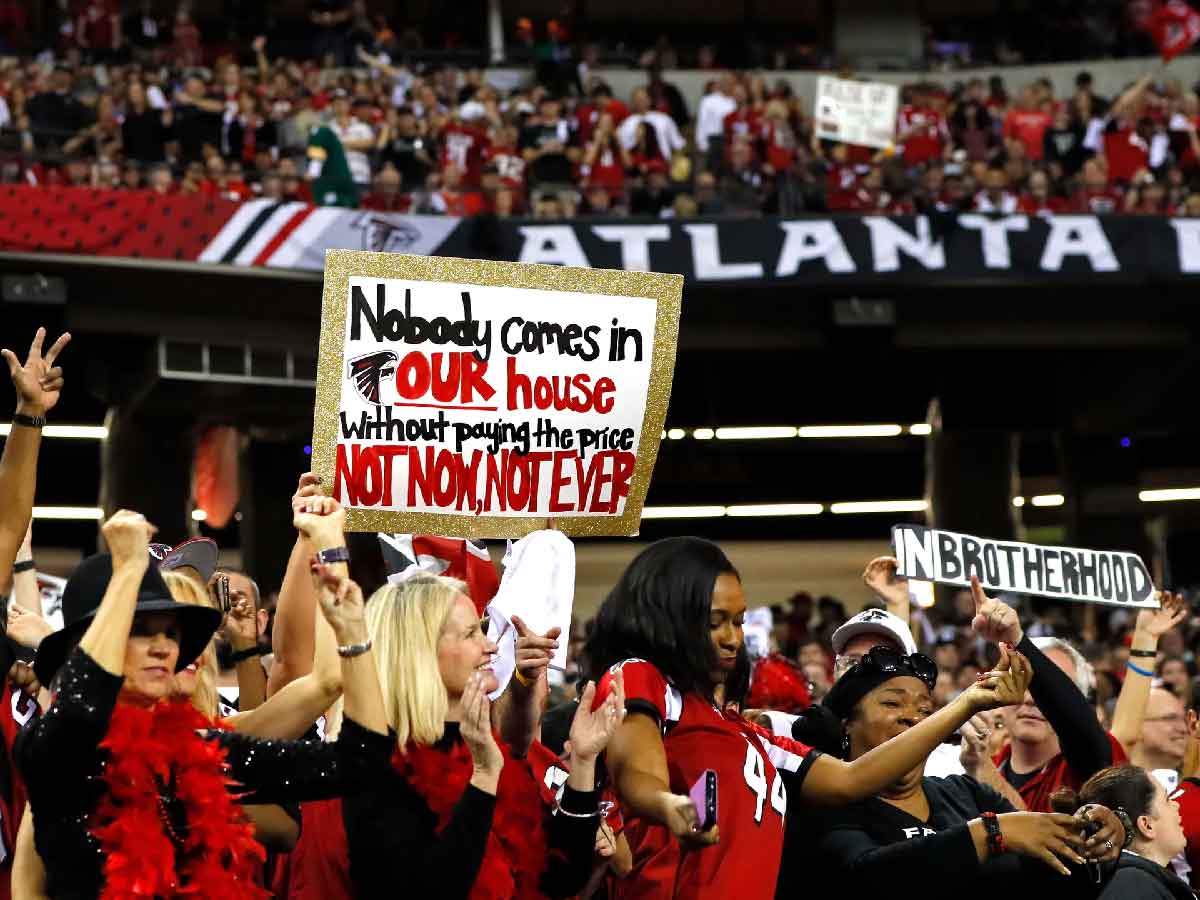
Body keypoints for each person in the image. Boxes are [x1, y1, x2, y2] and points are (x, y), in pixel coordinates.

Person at [585, 537, 1034, 900]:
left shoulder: (750, 738)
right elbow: (637, 773)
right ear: (669, 617)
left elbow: (853, 779)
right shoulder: (640, 676)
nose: (731, 639)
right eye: (715, 621)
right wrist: (667, 805)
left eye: (739, 622)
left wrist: (967, 703)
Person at [16, 502, 392, 898]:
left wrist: (350, 627)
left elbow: (360, 761)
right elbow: (80, 710)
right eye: (140, 630)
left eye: (172, 633)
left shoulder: (200, 750)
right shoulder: (52, 749)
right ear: (88, 642)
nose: (164, 647)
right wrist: (128, 573)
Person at [273, 571, 624, 899]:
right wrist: (484, 778)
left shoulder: (484, 747)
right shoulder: (374, 763)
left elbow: (557, 880)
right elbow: (429, 890)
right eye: (472, 633)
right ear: (420, 651)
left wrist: (582, 762)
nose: (490, 646)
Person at [776, 645, 1127, 898]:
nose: (912, 717)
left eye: (924, 709)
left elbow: (1060, 874)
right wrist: (989, 834)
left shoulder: (967, 794)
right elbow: (866, 878)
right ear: (846, 724)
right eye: (892, 703)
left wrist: (1103, 835)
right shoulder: (825, 806)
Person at [1070, 766, 1193, 899]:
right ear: (1147, 825)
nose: (1177, 805)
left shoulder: (1137, 883)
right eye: (1167, 800)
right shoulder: (1135, 887)